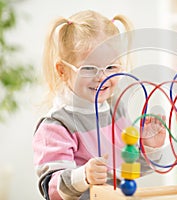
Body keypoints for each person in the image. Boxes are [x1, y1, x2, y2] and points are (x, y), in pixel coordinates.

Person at [32, 10, 166, 200]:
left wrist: (150, 148)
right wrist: (84, 176)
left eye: (111, 67)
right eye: (88, 68)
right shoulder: (57, 126)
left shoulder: (115, 109)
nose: (102, 77)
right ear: (62, 71)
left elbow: (128, 172)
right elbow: (51, 190)